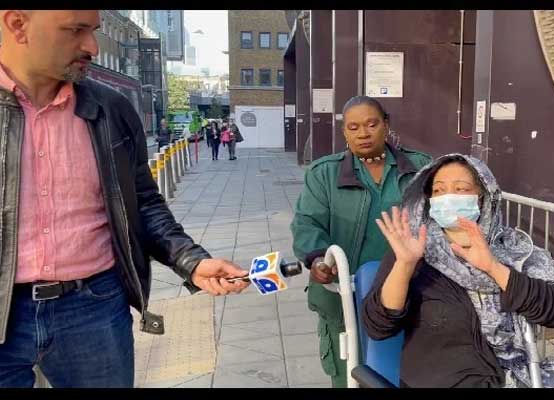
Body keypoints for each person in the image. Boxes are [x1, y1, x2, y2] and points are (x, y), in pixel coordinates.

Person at [0, 10, 251, 388]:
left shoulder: (111, 109)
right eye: (75, 30)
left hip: (94, 309)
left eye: (94, 30)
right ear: (17, 24)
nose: (92, 47)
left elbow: (144, 203)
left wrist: (190, 262)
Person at [361, 153, 554, 388]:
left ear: (483, 197)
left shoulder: (513, 250)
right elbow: (378, 326)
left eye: (460, 189)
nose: (447, 198)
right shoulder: (414, 251)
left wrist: (493, 268)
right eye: (438, 190)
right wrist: (404, 265)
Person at [290, 96, 432, 387]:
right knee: (349, 375)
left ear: (386, 124)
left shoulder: (420, 169)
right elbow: (307, 223)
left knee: (403, 373)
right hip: (342, 296)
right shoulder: (324, 174)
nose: (363, 133)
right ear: (345, 132)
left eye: (371, 124)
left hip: (408, 296)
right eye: (353, 127)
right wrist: (318, 260)